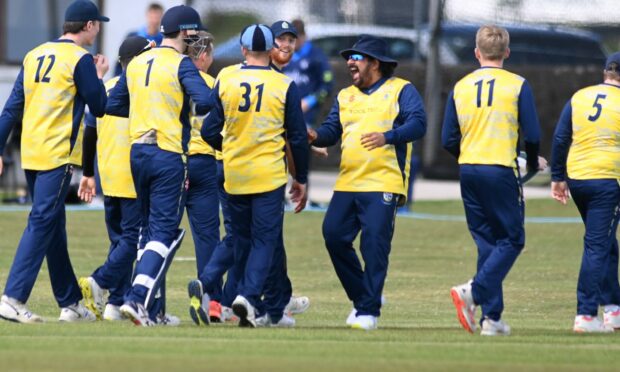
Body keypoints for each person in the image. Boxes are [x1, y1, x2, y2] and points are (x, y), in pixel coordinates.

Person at [0, 0, 109, 323]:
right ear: (88, 26)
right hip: (57, 154)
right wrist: (100, 74)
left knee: (53, 225)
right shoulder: (81, 59)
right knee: (43, 221)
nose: (99, 28)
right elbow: (99, 106)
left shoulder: (34, 54)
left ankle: (71, 302)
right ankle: (13, 297)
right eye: (97, 24)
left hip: (31, 154)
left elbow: (11, 108)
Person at [193, 24, 309, 328]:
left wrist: (229, 147)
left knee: (239, 238)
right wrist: (302, 178)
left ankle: (221, 289)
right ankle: (247, 296)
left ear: (243, 50)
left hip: (234, 172)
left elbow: (208, 130)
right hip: (267, 175)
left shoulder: (227, 77)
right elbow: (296, 138)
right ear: (271, 50)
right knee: (265, 240)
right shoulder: (283, 85)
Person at [308, 35, 427, 330]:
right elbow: (331, 131)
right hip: (348, 182)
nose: (350, 61)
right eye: (349, 57)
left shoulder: (401, 90)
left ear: (375, 63)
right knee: (333, 236)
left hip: (384, 182)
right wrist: (314, 136)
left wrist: (388, 136)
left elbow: (418, 123)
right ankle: (364, 298)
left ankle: (368, 312)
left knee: (374, 245)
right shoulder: (345, 95)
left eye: (357, 57)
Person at [105, 4, 212, 326]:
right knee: (163, 233)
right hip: (167, 154)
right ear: (183, 33)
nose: (194, 39)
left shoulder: (137, 62)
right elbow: (204, 102)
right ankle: (137, 300)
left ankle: (150, 309)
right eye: (192, 34)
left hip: (137, 153)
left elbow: (112, 104)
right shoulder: (181, 63)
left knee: (146, 232)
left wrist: (145, 116)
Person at [442, 25, 546, 336]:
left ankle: (492, 319)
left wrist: (469, 154)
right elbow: (534, 133)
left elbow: (448, 138)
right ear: (507, 53)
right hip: (500, 169)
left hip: (469, 169)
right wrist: (530, 159)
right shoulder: (517, 84)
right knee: (513, 239)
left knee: (487, 242)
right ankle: (473, 292)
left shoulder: (461, 86)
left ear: (477, 53)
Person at [77, 36, 155, 322]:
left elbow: (89, 132)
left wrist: (88, 173)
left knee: (118, 241)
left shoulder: (104, 87)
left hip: (108, 175)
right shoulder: (140, 91)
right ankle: (99, 280)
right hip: (132, 176)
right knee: (132, 241)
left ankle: (115, 303)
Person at [550, 52, 620, 333]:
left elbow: (560, 136)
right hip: (607, 180)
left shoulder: (580, 96)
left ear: (606, 72)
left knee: (605, 242)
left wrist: (557, 177)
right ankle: (586, 314)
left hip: (577, 179)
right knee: (597, 245)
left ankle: (614, 310)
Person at [284, 19, 333, 128]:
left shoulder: (316, 56)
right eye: (289, 40)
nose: (291, 43)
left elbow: (327, 86)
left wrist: (309, 101)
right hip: (284, 114)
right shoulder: (283, 55)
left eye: (294, 40)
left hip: (308, 117)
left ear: (303, 36)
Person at [113, 3, 164, 76]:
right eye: (152, 17)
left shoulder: (163, 40)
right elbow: (121, 61)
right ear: (147, 16)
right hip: (133, 77)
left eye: (157, 17)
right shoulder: (133, 36)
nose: (154, 21)